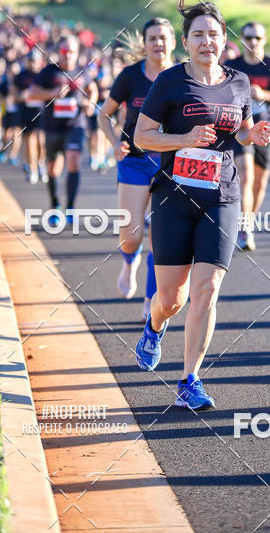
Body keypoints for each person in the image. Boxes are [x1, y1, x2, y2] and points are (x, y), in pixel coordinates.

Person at [133, 0, 270, 410]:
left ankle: (189, 380)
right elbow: (142, 136)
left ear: (224, 39)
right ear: (186, 42)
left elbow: (241, 130)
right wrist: (183, 139)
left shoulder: (239, 82)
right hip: (174, 198)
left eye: (213, 34)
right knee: (171, 299)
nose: (206, 41)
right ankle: (154, 325)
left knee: (208, 289)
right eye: (198, 35)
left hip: (222, 196)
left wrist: (252, 135)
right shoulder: (170, 82)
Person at [98, 19, 176, 317]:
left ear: (174, 42)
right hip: (134, 161)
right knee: (131, 237)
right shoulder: (130, 76)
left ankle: (150, 301)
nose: (158, 43)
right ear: (145, 43)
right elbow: (104, 115)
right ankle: (130, 261)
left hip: (169, 165)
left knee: (160, 240)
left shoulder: (183, 76)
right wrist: (114, 142)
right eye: (152, 38)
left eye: (163, 38)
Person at [226, 21, 270, 250]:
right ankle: (244, 229)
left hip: (266, 126)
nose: (253, 42)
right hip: (241, 127)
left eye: (257, 37)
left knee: (259, 182)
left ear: (264, 39)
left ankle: (248, 224)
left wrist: (265, 94)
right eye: (248, 37)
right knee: (245, 176)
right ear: (242, 40)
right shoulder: (232, 66)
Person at [28, 36, 98, 219]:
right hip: (53, 127)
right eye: (64, 51)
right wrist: (52, 93)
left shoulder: (82, 71)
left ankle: (71, 207)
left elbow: (93, 89)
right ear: (59, 52)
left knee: (74, 160)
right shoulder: (49, 72)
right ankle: (55, 204)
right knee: (53, 169)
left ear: (77, 53)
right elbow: (32, 93)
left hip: (75, 125)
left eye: (72, 51)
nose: (68, 55)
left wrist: (90, 104)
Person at [14, 49, 47, 184]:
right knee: (30, 142)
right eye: (31, 61)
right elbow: (14, 95)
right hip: (26, 113)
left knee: (41, 140)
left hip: (41, 113)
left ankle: (41, 164)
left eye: (35, 61)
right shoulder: (21, 76)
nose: (33, 63)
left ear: (40, 61)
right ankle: (33, 169)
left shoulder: (44, 75)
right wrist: (21, 96)